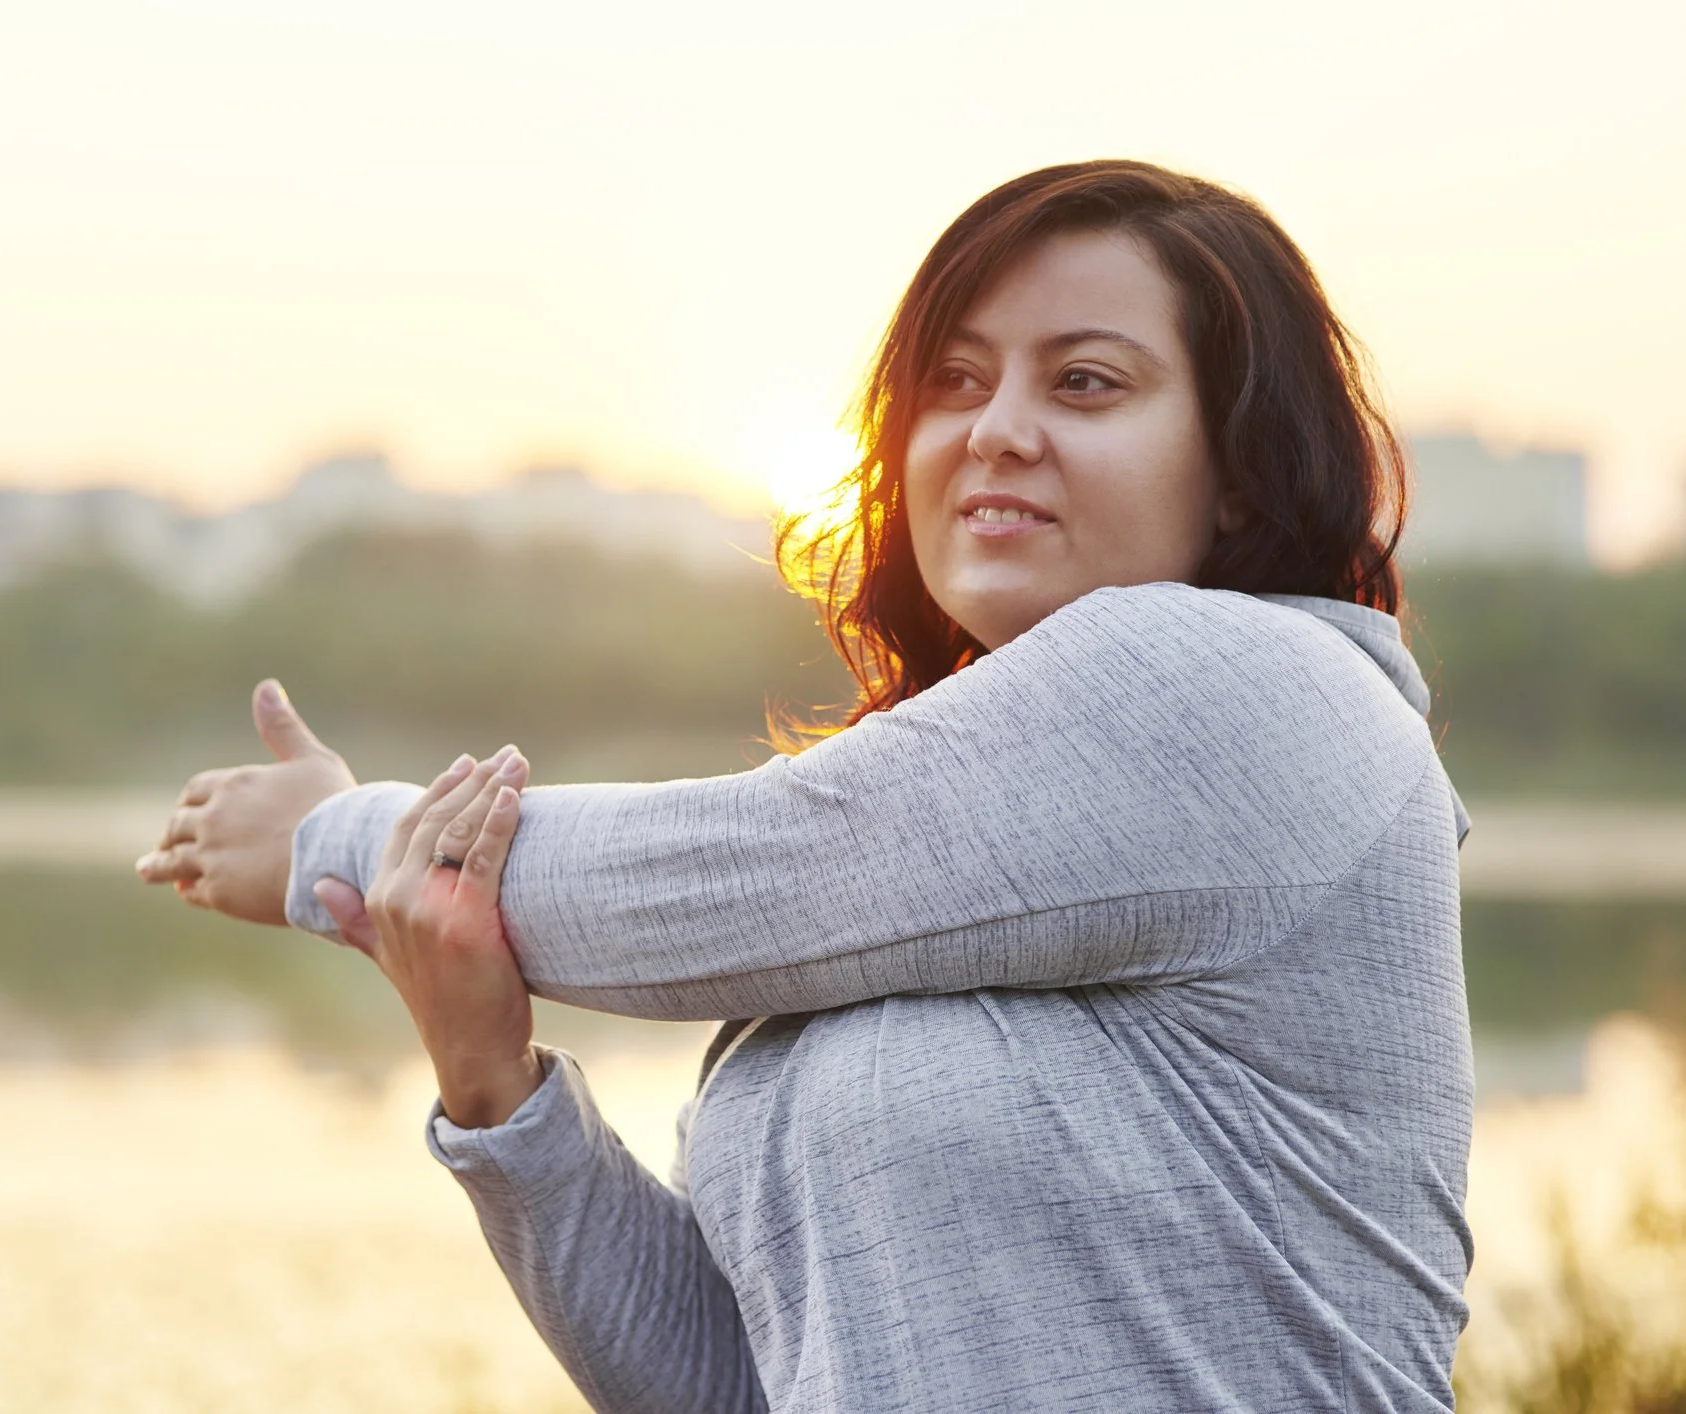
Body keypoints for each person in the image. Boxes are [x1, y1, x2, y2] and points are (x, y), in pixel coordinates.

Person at [136, 159, 1473, 1413]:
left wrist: (332, 840)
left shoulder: (1257, 685)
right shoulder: (940, 856)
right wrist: (496, 1086)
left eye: (1083, 383)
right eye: (952, 381)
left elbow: (733, 867)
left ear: (1236, 475)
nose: (995, 429)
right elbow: (736, 1382)